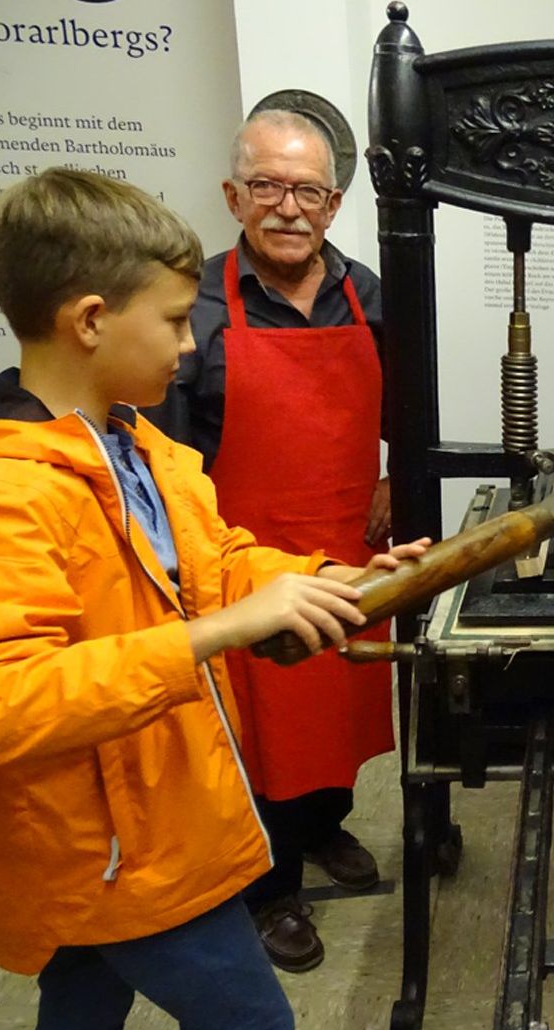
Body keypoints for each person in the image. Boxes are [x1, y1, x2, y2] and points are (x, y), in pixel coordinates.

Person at [0, 168, 427, 1030]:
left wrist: (335, 579)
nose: (188, 343)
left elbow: (218, 562)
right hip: (113, 847)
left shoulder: (141, 449)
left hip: (143, 819)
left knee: (85, 1008)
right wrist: (215, 635)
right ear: (90, 321)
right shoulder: (11, 491)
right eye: (172, 322)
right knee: (253, 1029)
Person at [145, 109, 393, 973]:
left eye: (309, 192)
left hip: (348, 551)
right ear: (233, 195)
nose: (288, 208)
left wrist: (391, 479)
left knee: (341, 709)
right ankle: (270, 886)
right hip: (244, 562)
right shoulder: (199, 308)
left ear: (333, 204)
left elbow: (403, 403)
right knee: (259, 735)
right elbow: (167, 461)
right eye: (267, 187)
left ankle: (322, 826)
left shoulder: (367, 291)